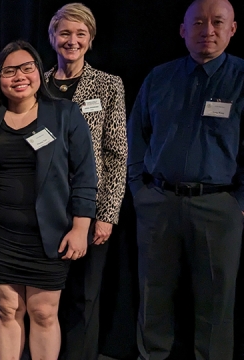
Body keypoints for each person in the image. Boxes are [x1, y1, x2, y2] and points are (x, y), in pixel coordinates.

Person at [127, 0, 242, 358]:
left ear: (232, 29)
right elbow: (136, 136)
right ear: (183, 30)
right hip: (158, 202)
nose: (208, 30)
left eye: (217, 22)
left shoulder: (241, 77)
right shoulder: (159, 77)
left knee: (215, 303)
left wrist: (239, 203)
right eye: (199, 23)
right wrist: (139, 189)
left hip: (218, 207)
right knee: (154, 295)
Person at [0, 40, 97, 360]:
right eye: (9, 70)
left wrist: (81, 227)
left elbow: (85, 175)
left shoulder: (65, 114)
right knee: (7, 309)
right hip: (2, 235)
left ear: (39, 73)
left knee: (43, 312)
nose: (19, 76)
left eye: (27, 68)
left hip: (49, 235)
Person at [41, 3, 128, 359]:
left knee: (82, 298)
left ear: (90, 40)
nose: (71, 40)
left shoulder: (108, 85)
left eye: (80, 34)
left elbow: (116, 153)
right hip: (43, 210)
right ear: (52, 37)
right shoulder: (37, 83)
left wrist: (106, 214)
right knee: (43, 300)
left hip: (88, 212)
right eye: (65, 33)